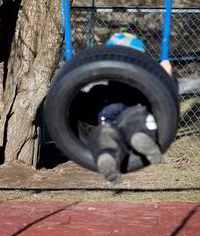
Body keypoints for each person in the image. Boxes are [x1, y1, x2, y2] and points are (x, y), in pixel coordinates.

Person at [75, 33, 177, 184]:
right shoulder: (146, 84)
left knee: (105, 134)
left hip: (107, 116)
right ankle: (140, 139)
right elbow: (167, 99)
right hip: (133, 113)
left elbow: (79, 105)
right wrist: (167, 76)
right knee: (137, 122)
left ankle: (108, 155)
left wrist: (68, 86)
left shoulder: (100, 91)